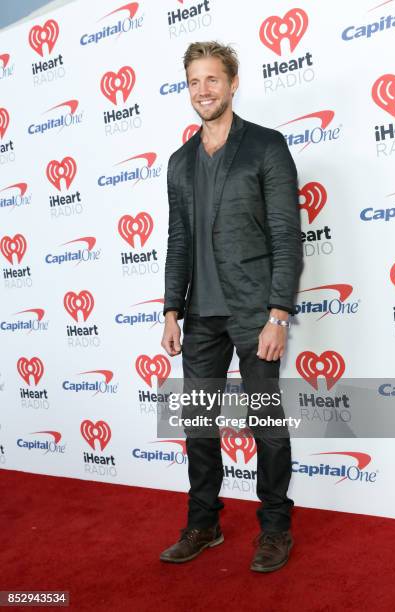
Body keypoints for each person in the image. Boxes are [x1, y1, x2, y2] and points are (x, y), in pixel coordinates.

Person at [160, 41, 302, 573]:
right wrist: (172, 309)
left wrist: (278, 314)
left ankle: (274, 529)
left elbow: (288, 236)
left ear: (233, 82)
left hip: (253, 312)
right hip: (199, 317)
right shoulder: (178, 162)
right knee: (197, 423)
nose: (203, 90)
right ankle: (204, 523)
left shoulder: (266, 146)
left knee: (266, 423)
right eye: (194, 81)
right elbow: (179, 240)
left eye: (212, 80)